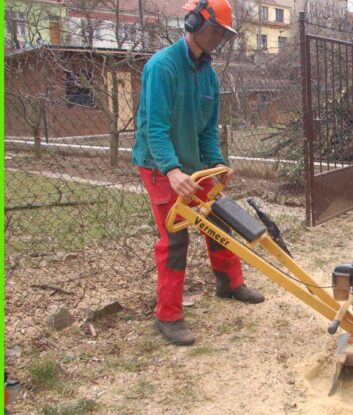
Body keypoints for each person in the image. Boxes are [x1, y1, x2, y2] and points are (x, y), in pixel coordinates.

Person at [132, 0, 264, 346]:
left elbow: (208, 130)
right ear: (195, 22)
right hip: (161, 167)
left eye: (224, 33)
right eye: (217, 30)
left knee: (220, 217)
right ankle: (168, 316)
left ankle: (229, 282)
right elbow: (154, 127)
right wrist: (172, 171)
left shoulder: (209, 75)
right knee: (175, 239)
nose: (220, 38)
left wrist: (218, 166)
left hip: (194, 165)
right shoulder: (162, 67)